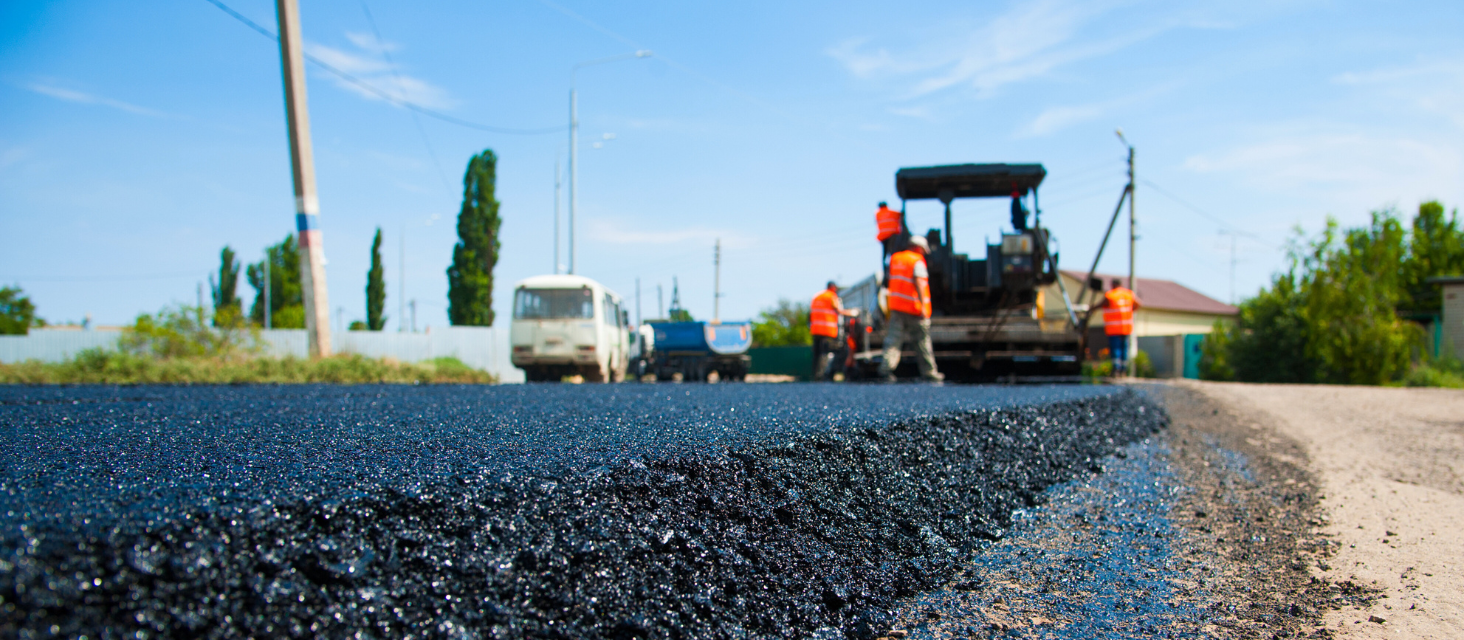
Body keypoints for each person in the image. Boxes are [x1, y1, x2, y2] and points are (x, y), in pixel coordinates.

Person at [879, 236, 942, 382]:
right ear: (918, 248)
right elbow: (919, 283)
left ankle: (885, 370)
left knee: (893, 341)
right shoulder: (917, 261)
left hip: (896, 307)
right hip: (914, 309)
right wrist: (924, 308)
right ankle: (929, 373)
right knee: (922, 342)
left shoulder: (895, 259)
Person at [810, 281, 859, 381]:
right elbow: (839, 310)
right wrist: (852, 313)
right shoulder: (831, 296)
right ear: (833, 288)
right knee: (825, 352)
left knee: (817, 353)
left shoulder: (817, 296)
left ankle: (815, 376)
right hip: (826, 330)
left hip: (815, 330)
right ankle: (822, 376)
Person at [1098, 279, 1141, 376]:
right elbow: (1139, 303)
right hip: (1126, 327)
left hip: (1113, 328)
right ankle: (1124, 370)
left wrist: (1091, 308)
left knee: (1115, 348)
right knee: (1124, 348)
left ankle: (1116, 369)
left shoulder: (1110, 295)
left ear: (1113, 284)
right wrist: (1131, 310)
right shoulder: (1129, 294)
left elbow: (1100, 304)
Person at [875, 201, 905, 272]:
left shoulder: (877, 214)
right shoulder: (891, 212)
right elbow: (901, 214)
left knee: (885, 254)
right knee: (893, 252)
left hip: (883, 237)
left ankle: (885, 267)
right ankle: (895, 265)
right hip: (892, 235)